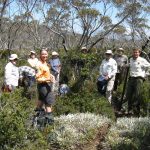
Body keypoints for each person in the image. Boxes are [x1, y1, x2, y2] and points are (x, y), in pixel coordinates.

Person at [125, 48, 150, 116]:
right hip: (131, 79)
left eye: (136, 52)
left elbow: (149, 66)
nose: (135, 53)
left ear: (139, 53)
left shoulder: (142, 60)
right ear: (132, 53)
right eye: (134, 52)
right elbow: (130, 65)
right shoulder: (130, 59)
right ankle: (129, 110)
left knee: (137, 95)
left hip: (139, 79)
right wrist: (127, 65)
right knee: (128, 95)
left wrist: (146, 74)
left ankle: (136, 112)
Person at [35, 48, 55, 124]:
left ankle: (37, 118)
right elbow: (37, 78)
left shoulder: (45, 63)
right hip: (43, 85)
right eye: (43, 54)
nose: (44, 55)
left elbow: (45, 73)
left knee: (41, 101)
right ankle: (50, 123)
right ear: (40, 55)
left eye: (46, 54)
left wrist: (51, 75)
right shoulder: (39, 64)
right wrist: (48, 80)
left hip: (44, 85)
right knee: (48, 103)